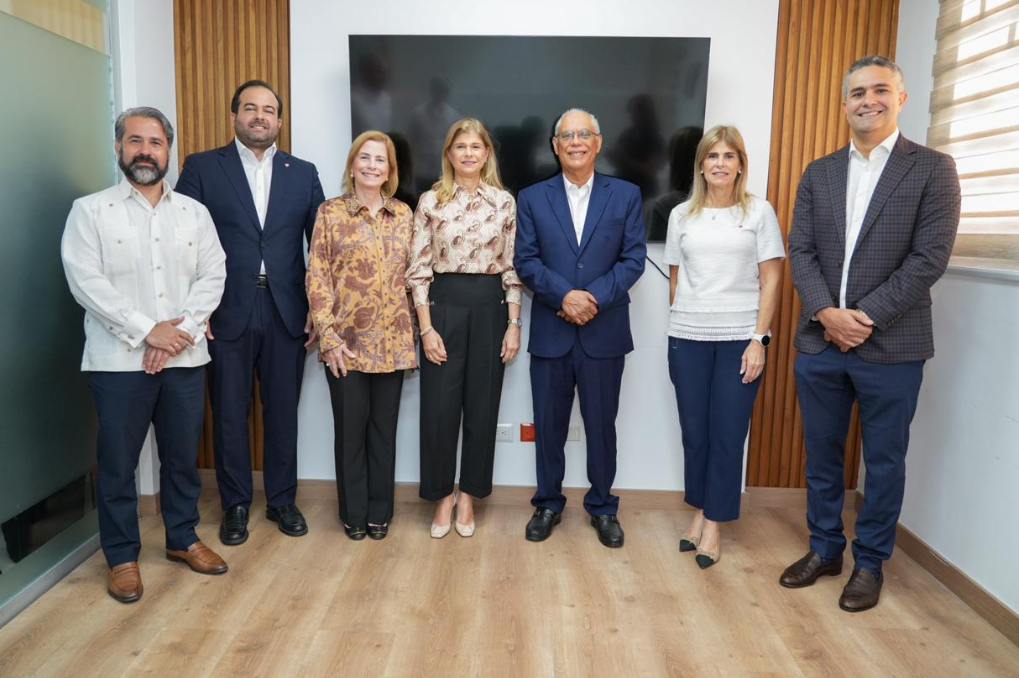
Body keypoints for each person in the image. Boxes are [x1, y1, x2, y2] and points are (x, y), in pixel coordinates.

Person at [783, 55, 960, 612]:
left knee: (883, 462)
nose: (869, 100)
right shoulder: (819, 172)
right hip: (820, 342)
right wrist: (826, 312)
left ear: (900, 98)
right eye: (858, 92)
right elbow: (800, 250)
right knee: (822, 456)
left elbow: (929, 258)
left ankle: (869, 563)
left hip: (893, 345)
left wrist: (862, 317)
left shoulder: (933, 168)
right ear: (844, 104)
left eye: (880, 90)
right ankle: (825, 548)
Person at [61, 107, 228, 603]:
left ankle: (182, 537)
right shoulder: (90, 211)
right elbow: (86, 282)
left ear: (168, 150)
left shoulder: (193, 213)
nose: (145, 151)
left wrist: (177, 334)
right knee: (117, 463)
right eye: (135, 141)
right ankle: (122, 557)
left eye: (155, 143)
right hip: (118, 362)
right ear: (118, 147)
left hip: (184, 360)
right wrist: (146, 331)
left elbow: (214, 275)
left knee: (182, 458)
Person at [175, 80, 325, 546]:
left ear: (279, 120)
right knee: (229, 411)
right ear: (234, 116)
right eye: (250, 108)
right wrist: (194, 309)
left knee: (283, 411)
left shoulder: (303, 172)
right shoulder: (202, 167)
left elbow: (322, 248)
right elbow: (181, 240)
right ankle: (235, 503)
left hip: (287, 310)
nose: (259, 116)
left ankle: (282, 499)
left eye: (268, 110)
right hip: (224, 310)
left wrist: (318, 309)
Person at [514, 108, 647, 548]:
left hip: (604, 331)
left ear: (598, 142)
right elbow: (525, 260)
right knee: (548, 426)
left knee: (602, 427)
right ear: (555, 146)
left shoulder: (625, 194)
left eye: (583, 134)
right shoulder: (531, 197)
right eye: (566, 135)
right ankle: (548, 504)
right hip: (551, 332)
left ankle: (603, 507)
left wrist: (591, 298)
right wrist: (564, 297)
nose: (575, 141)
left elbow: (633, 258)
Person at [663, 125, 785, 569]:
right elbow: (675, 279)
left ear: (740, 165)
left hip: (739, 340)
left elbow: (772, 279)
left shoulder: (759, 212)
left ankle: (713, 524)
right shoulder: (681, 215)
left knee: (728, 434)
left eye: (728, 156)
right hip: (688, 338)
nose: (719, 163)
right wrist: (684, 320)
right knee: (695, 434)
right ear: (700, 165)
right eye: (712, 156)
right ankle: (700, 510)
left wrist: (759, 339)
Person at [408, 118, 523, 539]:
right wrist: (426, 329)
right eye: (461, 147)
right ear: (449, 154)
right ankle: (442, 497)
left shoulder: (504, 202)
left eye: (476, 146)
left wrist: (513, 324)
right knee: (439, 410)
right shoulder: (430, 201)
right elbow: (418, 269)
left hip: (491, 308)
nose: (469, 153)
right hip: (443, 308)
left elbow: (512, 268)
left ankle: (469, 496)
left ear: (486, 153)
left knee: (482, 408)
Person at [306, 131, 417, 541]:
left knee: (383, 433)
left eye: (380, 160)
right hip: (345, 345)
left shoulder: (404, 214)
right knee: (350, 432)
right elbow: (317, 275)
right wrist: (328, 337)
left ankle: (379, 512)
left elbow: (415, 277)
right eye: (364, 158)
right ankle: (353, 514)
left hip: (393, 343)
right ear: (352, 166)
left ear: (390, 171)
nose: (372, 166)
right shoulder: (330, 212)